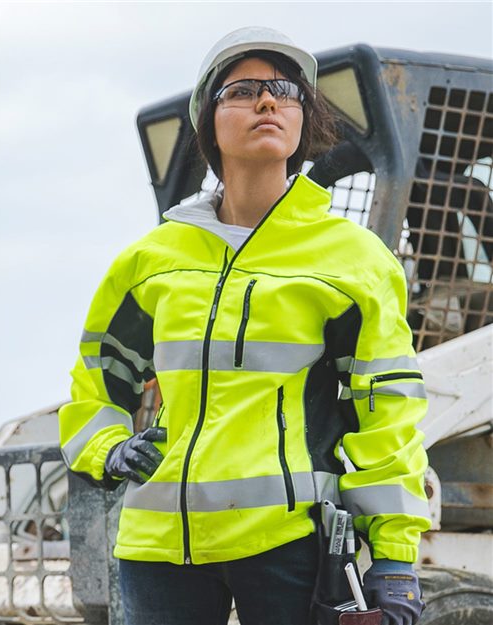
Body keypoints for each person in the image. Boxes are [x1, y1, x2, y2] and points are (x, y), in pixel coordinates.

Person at [59, 26, 431, 625]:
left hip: (289, 546)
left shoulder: (354, 260)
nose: (266, 102)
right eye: (243, 90)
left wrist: (394, 557)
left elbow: (388, 411)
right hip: (157, 549)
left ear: (303, 120)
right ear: (209, 122)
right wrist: (109, 448)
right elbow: (97, 378)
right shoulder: (151, 260)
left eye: (285, 91)